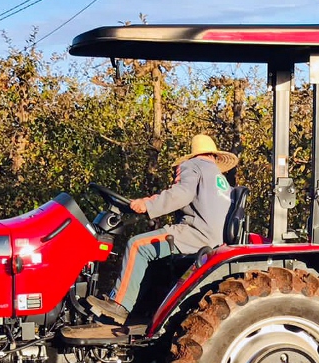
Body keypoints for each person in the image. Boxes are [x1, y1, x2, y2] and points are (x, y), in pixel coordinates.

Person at [88, 134, 237, 324]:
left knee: (137, 245)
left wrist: (148, 206)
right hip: (214, 239)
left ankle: (119, 305)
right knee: (151, 254)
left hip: (196, 235)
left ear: (193, 155)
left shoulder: (193, 165)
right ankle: (141, 312)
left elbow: (181, 194)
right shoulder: (220, 179)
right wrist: (148, 202)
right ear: (214, 157)